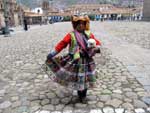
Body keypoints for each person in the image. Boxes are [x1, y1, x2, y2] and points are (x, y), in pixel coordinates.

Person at [46, 15, 101, 103]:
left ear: (85, 25)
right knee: (78, 78)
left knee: (86, 78)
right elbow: (62, 44)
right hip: (75, 61)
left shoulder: (89, 34)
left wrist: (96, 47)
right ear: (75, 25)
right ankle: (80, 95)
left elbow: (97, 43)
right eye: (78, 24)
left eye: (83, 24)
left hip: (87, 61)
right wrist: (53, 53)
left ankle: (84, 95)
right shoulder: (71, 35)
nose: (81, 25)